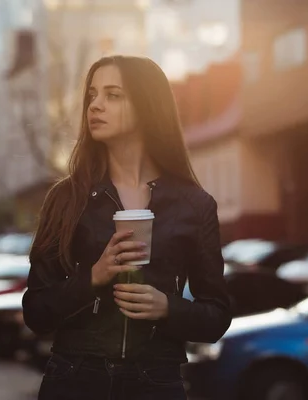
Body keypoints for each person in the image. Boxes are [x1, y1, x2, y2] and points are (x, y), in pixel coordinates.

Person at [22, 55, 231, 400]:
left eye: (113, 95)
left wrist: (167, 307)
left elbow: (217, 317)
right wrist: (93, 278)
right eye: (92, 95)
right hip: (74, 378)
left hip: (156, 381)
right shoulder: (66, 198)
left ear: (147, 106)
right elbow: (36, 312)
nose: (96, 106)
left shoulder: (194, 205)